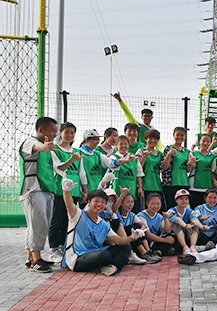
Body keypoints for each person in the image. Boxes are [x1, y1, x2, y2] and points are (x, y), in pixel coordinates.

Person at [61, 179, 139, 275]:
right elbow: (69, 205)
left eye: (102, 202)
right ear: (89, 202)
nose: (99, 204)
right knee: (104, 255)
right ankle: (116, 263)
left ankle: (113, 267)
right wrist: (66, 191)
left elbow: (119, 240)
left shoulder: (103, 224)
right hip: (77, 258)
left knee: (126, 247)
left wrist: (133, 237)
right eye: (96, 201)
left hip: (96, 253)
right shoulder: (78, 215)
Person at [19, 116, 58, 272]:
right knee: (38, 224)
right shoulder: (31, 142)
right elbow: (38, 147)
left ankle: (31, 258)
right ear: (41, 130)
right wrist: (44, 146)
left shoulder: (49, 150)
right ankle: (37, 260)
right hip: (33, 189)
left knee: (39, 224)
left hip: (46, 189)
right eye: (53, 131)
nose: (55, 134)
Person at [48, 122, 87, 263]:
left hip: (74, 191)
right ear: (60, 133)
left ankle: (65, 247)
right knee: (57, 219)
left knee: (69, 219)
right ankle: (54, 249)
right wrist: (71, 160)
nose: (70, 135)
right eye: (67, 132)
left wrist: (84, 191)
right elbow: (59, 169)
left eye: (72, 133)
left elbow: (81, 173)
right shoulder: (54, 150)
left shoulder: (77, 152)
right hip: (60, 190)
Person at [113, 187, 161, 263]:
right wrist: (122, 195)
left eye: (132, 202)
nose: (130, 204)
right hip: (123, 240)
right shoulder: (116, 214)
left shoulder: (132, 215)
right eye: (128, 202)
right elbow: (114, 209)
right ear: (121, 203)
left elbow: (143, 225)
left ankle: (148, 252)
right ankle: (144, 253)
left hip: (133, 240)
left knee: (138, 228)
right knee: (132, 228)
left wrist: (140, 231)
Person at [80, 129, 128, 194]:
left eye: (98, 140)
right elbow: (81, 175)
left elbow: (109, 162)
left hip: (98, 190)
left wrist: (123, 160)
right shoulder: (79, 153)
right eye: (95, 139)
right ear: (86, 140)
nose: (97, 142)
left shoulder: (97, 154)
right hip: (84, 192)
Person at [112, 135, 144, 213]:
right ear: (116, 146)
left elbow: (138, 174)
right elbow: (115, 165)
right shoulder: (113, 157)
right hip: (118, 192)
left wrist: (140, 187)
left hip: (132, 191)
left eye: (126, 144)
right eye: (121, 144)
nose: (123, 146)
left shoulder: (134, 158)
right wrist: (126, 160)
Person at [161, 127, 191, 208]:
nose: (180, 137)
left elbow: (188, 170)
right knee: (171, 207)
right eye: (177, 135)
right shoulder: (169, 148)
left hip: (183, 183)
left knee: (183, 207)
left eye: (182, 135)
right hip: (170, 184)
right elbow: (164, 167)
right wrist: (169, 154)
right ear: (173, 135)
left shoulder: (187, 152)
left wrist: (191, 163)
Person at [136, 129, 165, 210]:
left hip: (157, 186)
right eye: (150, 138)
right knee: (145, 209)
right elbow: (138, 168)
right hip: (145, 186)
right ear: (146, 139)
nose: (153, 141)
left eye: (155, 139)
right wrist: (144, 157)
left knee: (158, 209)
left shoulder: (159, 154)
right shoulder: (141, 151)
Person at [166, 189, 201, 255]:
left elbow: (194, 219)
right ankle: (185, 247)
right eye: (181, 199)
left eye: (186, 199)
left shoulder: (189, 211)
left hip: (186, 235)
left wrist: (202, 227)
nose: (184, 201)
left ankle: (192, 247)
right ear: (176, 200)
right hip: (174, 237)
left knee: (195, 225)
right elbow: (178, 220)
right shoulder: (171, 211)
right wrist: (185, 225)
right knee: (176, 225)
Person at [187, 133, 216, 209]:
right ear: (199, 141)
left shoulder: (212, 157)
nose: (205, 143)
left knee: (205, 210)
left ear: (210, 143)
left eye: (208, 141)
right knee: (194, 210)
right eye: (203, 141)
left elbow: (212, 172)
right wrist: (190, 163)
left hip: (207, 188)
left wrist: (214, 181)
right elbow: (188, 170)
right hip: (194, 187)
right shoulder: (192, 154)